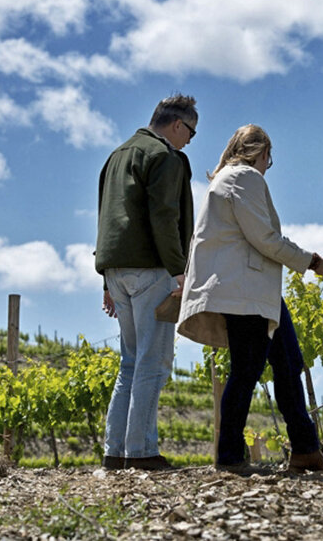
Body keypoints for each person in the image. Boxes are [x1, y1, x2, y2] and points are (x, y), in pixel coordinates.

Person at [177, 124, 323, 474]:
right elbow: (264, 238)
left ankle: (305, 449)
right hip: (245, 292)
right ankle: (230, 458)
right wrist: (311, 261)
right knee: (247, 371)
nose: (269, 165)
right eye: (270, 157)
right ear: (261, 152)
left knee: (288, 363)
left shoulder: (222, 180)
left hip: (253, 292)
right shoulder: (245, 178)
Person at [95, 94, 198, 471]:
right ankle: (140, 454)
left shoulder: (116, 155)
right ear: (176, 125)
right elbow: (164, 216)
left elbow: (107, 217)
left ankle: (115, 453)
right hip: (152, 269)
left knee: (130, 362)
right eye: (191, 131)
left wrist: (106, 279)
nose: (190, 140)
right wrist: (179, 269)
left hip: (116, 272)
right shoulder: (164, 157)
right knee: (152, 363)